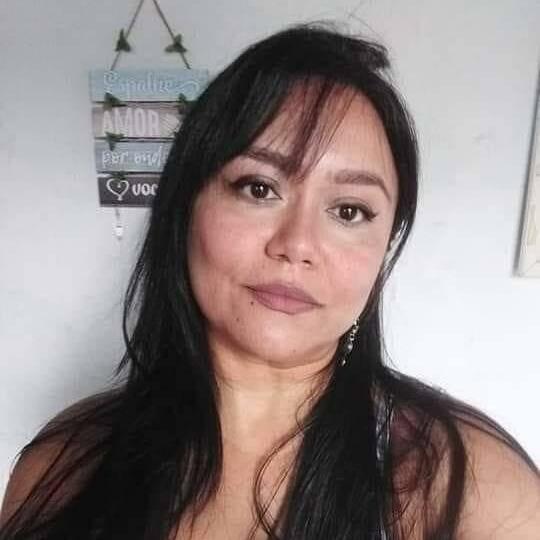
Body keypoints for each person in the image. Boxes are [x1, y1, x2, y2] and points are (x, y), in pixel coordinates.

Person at [0, 23, 538, 540]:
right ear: (186, 206)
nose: (297, 244)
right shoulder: (66, 463)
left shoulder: (472, 491)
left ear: (384, 248)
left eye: (349, 211)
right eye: (259, 188)